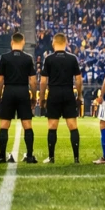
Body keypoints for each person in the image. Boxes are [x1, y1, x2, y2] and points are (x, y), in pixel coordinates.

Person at [39, 33, 83, 163]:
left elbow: (43, 81)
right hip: (68, 93)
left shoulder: (48, 59)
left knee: (52, 126)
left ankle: (51, 157)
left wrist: (42, 98)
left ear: (53, 43)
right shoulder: (72, 58)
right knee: (73, 126)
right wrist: (79, 95)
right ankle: (76, 158)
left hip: (54, 93)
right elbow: (78, 80)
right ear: (66, 43)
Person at [0, 32, 36, 164]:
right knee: (27, 124)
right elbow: (33, 81)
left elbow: (0, 80)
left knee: (4, 125)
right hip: (23, 91)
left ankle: (2, 156)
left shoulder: (4, 57)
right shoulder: (28, 58)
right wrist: (33, 97)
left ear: (11, 42)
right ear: (23, 42)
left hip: (9, 91)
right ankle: (29, 156)